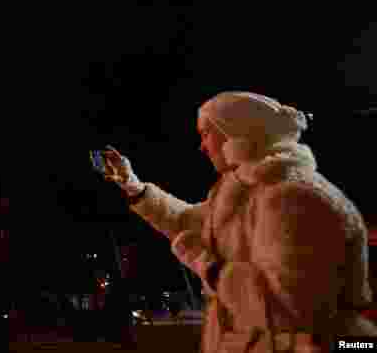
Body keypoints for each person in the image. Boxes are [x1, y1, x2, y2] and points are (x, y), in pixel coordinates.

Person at [102, 91, 377, 353]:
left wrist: (210, 268)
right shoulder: (242, 194)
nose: (202, 146)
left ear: (234, 134)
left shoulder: (292, 197)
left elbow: (293, 307)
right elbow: (184, 221)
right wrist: (133, 186)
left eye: (205, 134)